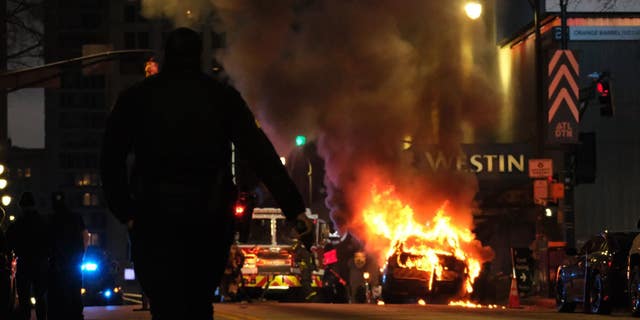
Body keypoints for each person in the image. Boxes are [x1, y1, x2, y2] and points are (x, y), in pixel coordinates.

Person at [100, 27, 312, 320]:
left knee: (165, 304)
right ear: (199, 56)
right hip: (207, 217)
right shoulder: (221, 97)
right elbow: (260, 153)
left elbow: (110, 158)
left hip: (154, 217)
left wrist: (126, 210)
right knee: (199, 302)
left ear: (166, 55)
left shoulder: (137, 98)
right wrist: (294, 209)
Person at [6, 192, 49, 320]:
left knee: (24, 298)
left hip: (24, 263)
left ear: (21, 206)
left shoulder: (18, 224)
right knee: (40, 296)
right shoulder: (42, 222)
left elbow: (9, 242)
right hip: (40, 263)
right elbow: (49, 241)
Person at [48, 192, 88, 320]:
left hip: (58, 263)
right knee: (74, 289)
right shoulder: (76, 217)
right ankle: (76, 314)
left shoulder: (52, 219)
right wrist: (82, 254)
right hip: (74, 260)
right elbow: (85, 236)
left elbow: (49, 241)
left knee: (58, 291)